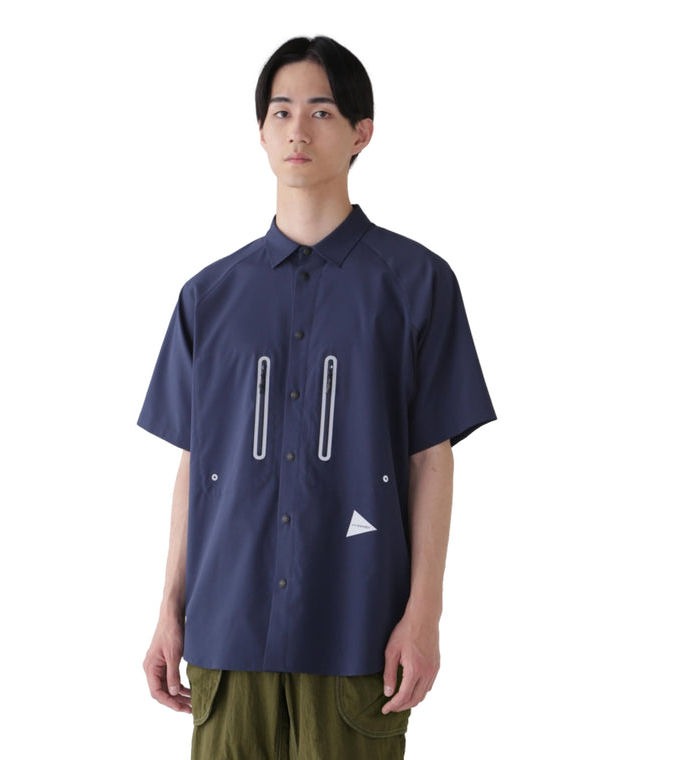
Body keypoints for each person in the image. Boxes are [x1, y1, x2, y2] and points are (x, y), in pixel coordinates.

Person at [138, 35, 496, 759]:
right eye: (281, 111)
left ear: (362, 132)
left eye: (322, 111)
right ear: (261, 132)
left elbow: (431, 459)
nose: (297, 130)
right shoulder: (208, 297)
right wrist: (169, 609)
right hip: (226, 635)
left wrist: (424, 614)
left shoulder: (417, 284)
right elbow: (194, 464)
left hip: (357, 632)